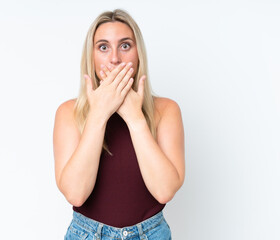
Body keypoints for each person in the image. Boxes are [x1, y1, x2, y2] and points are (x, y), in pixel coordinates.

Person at [53, 9, 185, 240]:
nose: (115, 58)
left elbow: (165, 191)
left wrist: (135, 118)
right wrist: (99, 115)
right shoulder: (69, 113)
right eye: (103, 47)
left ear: (138, 54)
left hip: (150, 234)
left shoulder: (166, 110)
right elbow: (76, 194)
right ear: (91, 57)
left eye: (125, 46)